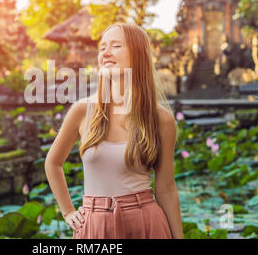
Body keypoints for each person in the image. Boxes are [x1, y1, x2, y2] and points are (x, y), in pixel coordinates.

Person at [44, 23, 183, 239]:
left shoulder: (162, 119)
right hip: (93, 226)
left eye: (116, 45)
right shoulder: (82, 111)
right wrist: (68, 212)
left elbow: (166, 188)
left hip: (146, 223)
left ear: (137, 55)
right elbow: (53, 163)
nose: (106, 52)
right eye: (102, 48)